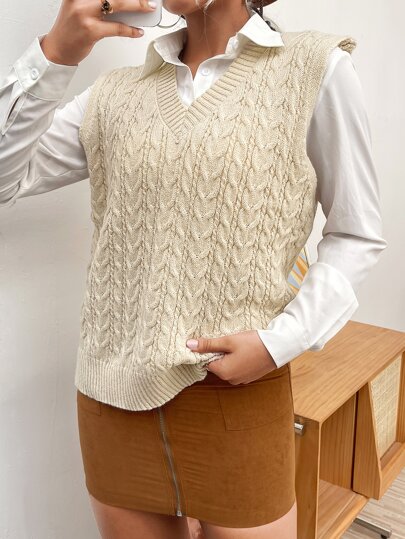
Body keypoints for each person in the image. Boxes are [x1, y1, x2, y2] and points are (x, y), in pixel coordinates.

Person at [0, 0, 387, 537]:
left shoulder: (313, 68)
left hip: (236, 390)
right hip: (112, 392)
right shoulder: (115, 93)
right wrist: (56, 54)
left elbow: (356, 232)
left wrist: (281, 342)